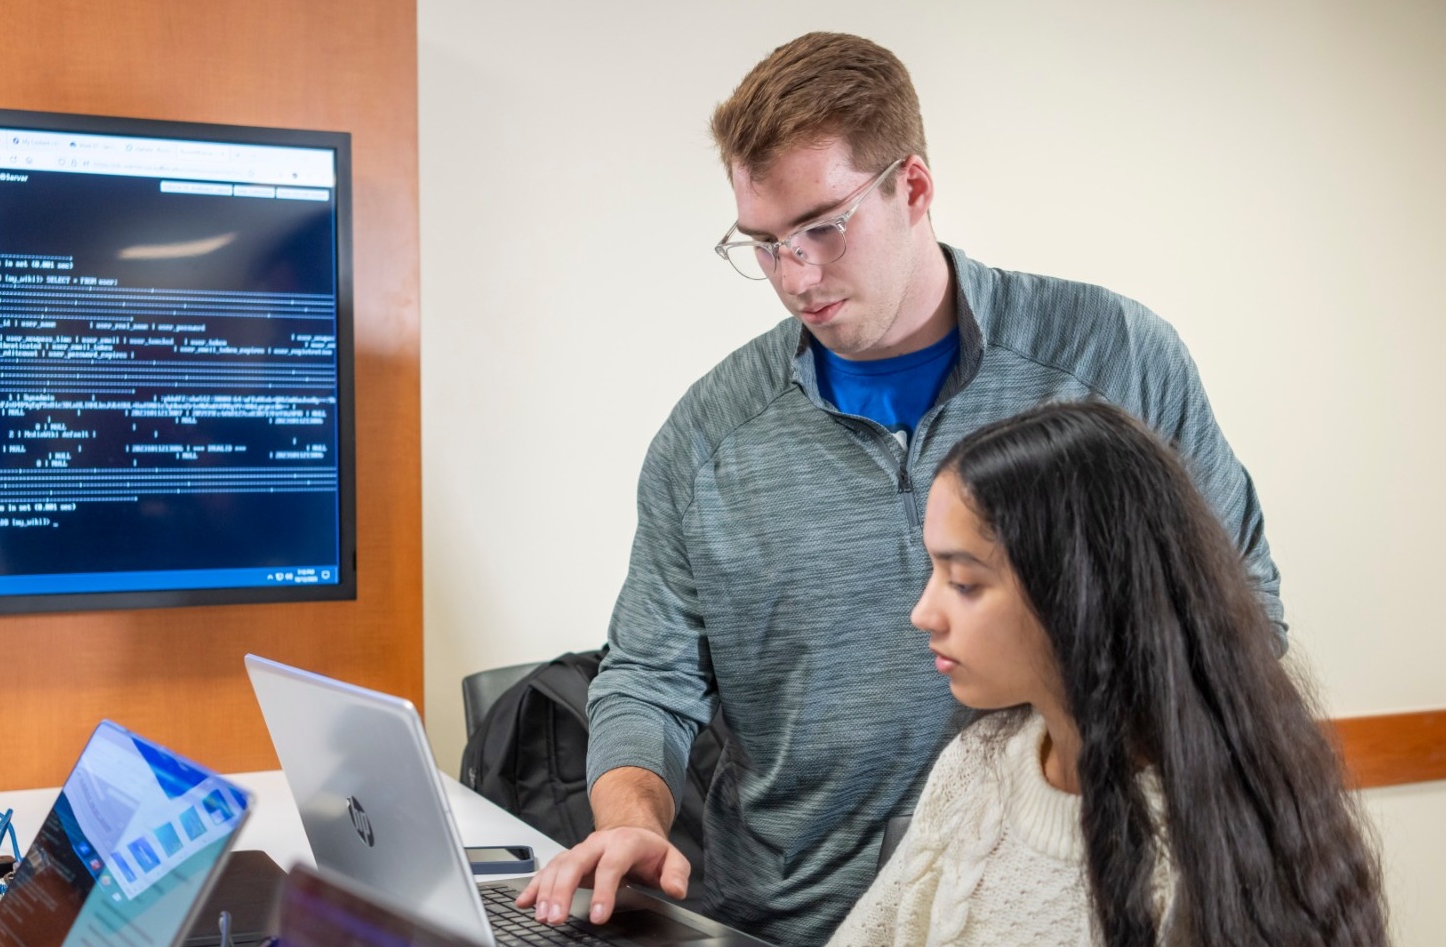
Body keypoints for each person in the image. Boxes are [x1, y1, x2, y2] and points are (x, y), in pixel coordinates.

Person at [515, 31, 1284, 947]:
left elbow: (1241, 622)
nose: (794, 277)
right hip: (781, 921)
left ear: (911, 187)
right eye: (761, 245)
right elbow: (646, 678)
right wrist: (633, 818)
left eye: (821, 228)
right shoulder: (709, 435)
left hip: (1061, 906)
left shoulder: (1111, 360)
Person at [827, 400, 1385, 947]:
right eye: (934, 570)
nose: (922, 614)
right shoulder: (975, 768)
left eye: (965, 582)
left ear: (1077, 598)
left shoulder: (1211, 855)